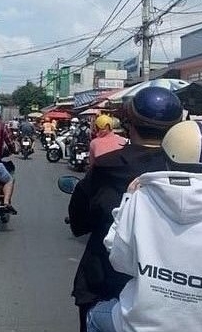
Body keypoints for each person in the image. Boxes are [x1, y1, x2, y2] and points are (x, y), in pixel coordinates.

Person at [68, 87, 183, 332]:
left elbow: (79, 222)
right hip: (172, 289)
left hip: (105, 281)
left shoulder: (106, 167)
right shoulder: (185, 171)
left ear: (130, 123)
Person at [87, 120, 202, 332]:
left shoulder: (141, 195)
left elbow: (120, 260)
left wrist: (127, 199)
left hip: (137, 323)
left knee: (94, 316)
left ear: (166, 158)